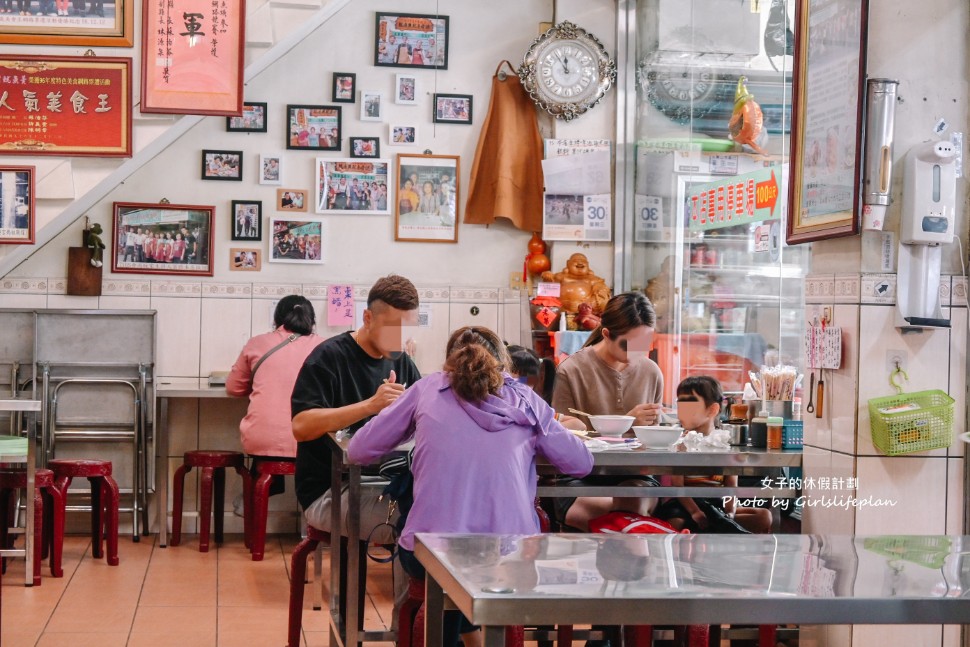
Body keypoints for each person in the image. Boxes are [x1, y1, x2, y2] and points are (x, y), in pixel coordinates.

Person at [347, 326, 593, 647]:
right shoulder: (526, 400)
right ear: (503, 365)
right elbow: (581, 463)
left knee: (449, 561)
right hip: (512, 555)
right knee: (476, 565)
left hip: (433, 554)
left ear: (448, 363)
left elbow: (358, 450)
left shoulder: (426, 389)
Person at [291, 275, 423, 624]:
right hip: (329, 491)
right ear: (367, 318)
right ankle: (404, 631)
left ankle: (418, 631)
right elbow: (301, 426)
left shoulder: (403, 363)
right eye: (391, 326)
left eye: (406, 327)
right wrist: (370, 405)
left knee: (440, 514)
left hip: (383, 486)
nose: (399, 338)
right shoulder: (328, 358)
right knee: (414, 524)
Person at [551, 291, 664, 531]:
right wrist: (627, 421)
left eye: (644, 344)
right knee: (622, 519)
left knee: (629, 504)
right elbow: (560, 440)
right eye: (628, 345)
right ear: (606, 334)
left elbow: (654, 442)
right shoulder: (571, 371)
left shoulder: (651, 372)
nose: (637, 353)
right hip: (580, 476)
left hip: (636, 474)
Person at [226, 296, 323, 500]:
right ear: (312, 320)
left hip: (261, 439)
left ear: (276, 319)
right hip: (309, 439)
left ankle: (252, 505)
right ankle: (318, 523)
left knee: (264, 454)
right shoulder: (325, 346)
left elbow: (234, 388)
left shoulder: (257, 343)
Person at [653, 376, 773, 533]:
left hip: (716, 504)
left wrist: (730, 511)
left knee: (764, 516)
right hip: (685, 506)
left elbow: (731, 486)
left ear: (713, 409)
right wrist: (695, 511)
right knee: (675, 523)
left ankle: (714, 526)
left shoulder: (723, 442)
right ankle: (718, 529)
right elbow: (678, 486)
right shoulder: (681, 443)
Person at [540, 253, 612, 315]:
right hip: (560, 311)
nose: (580, 263)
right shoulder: (560, 276)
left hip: (586, 313)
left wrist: (587, 305)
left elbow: (603, 294)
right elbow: (547, 291)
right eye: (576, 261)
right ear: (568, 263)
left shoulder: (594, 279)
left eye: (583, 261)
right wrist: (547, 278)